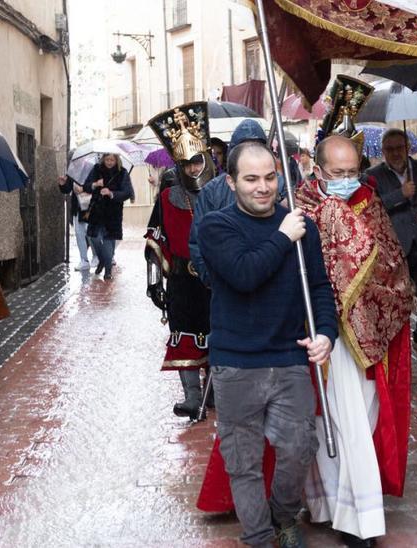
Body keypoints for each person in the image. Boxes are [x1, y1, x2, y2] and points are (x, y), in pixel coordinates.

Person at [198, 141, 338, 548]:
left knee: (299, 447)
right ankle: (258, 536)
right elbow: (244, 274)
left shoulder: (300, 226)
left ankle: (283, 514)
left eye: (270, 177)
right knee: (243, 462)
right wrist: (281, 236)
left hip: (289, 355)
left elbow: (319, 288)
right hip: (236, 363)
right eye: (251, 178)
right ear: (231, 182)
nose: (263, 187)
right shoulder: (216, 227)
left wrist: (325, 332)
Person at [294, 135, 413, 547]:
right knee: (330, 421)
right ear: (317, 170)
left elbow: (392, 262)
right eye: (336, 173)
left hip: (365, 332)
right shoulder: (302, 207)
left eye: (352, 172)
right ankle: (343, 512)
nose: (346, 181)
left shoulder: (369, 201)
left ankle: (349, 508)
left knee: (360, 420)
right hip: (321, 334)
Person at [145, 130, 214, 417]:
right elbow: (154, 241)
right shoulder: (166, 198)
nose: (193, 168)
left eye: (197, 161)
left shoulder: (221, 193)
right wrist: (153, 283)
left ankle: (215, 394)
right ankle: (192, 397)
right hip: (180, 281)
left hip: (215, 279)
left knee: (217, 335)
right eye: (187, 164)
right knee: (182, 335)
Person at [366, 129, 417, 367]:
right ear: (383, 151)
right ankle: (394, 348)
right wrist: (401, 194)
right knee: (396, 300)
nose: (395, 153)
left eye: (399, 147)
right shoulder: (372, 176)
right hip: (394, 247)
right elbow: (371, 207)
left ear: (408, 147)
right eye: (389, 149)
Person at [188, 119, 293, 285]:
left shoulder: (280, 184)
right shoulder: (212, 191)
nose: (263, 187)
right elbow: (197, 242)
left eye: (256, 146)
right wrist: (216, 282)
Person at [83, 153, 133, 280]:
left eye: (112, 160)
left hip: (113, 212)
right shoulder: (96, 169)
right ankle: (102, 260)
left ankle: (108, 270)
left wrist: (111, 193)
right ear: (103, 159)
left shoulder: (122, 172)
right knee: (93, 238)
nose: (109, 162)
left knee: (108, 240)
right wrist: (95, 184)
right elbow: (86, 186)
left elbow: (127, 192)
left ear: (117, 160)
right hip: (96, 210)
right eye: (107, 159)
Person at [58, 173, 94, 271]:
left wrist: (84, 189)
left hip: (92, 208)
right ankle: (84, 260)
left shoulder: (96, 169)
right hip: (78, 208)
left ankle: (97, 256)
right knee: (79, 234)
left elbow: (98, 187)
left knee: (92, 234)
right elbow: (67, 189)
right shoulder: (74, 171)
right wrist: (62, 184)